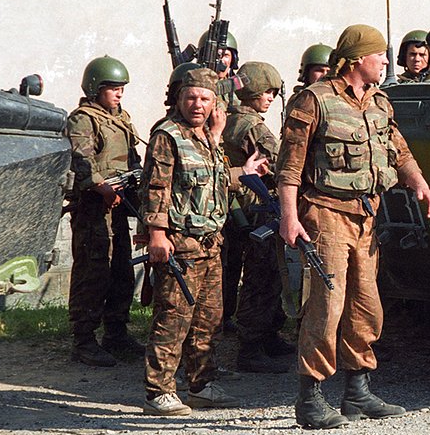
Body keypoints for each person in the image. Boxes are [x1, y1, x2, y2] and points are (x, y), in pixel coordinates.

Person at [275, 24, 430, 429]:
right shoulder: (314, 101)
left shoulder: (380, 102)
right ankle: (310, 398)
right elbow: (290, 168)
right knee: (325, 306)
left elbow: (398, 150)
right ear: (358, 59)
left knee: (366, 305)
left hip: (367, 218)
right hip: (325, 215)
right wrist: (289, 217)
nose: (386, 60)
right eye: (379, 54)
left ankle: (357, 392)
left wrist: (420, 184)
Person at [140, 67, 269, 416]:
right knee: (173, 317)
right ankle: (159, 391)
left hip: (211, 244)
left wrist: (246, 171)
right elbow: (156, 188)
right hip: (180, 244)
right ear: (180, 98)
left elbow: (212, 180)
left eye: (205, 98)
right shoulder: (167, 136)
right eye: (191, 97)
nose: (197, 104)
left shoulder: (208, 136)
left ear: (215, 103)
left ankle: (201, 385)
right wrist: (156, 233)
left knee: (208, 320)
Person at [65, 55, 143, 367]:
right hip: (93, 209)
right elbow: (81, 160)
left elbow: (132, 159)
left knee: (121, 269)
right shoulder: (83, 119)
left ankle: (116, 332)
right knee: (92, 271)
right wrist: (103, 187)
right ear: (95, 88)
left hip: (120, 206)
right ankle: (83, 340)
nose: (119, 94)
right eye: (113, 88)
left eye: (122, 88)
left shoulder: (122, 119)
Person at [221, 61, 292, 373]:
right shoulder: (252, 127)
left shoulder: (229, 119)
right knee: (261, 278)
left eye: (275, 93)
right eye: (267, 92)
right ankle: (251, 347)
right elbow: (278, 165)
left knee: (264, 276)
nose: (271, 98)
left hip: (242, 209)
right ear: (250, 92)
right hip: (258, 210)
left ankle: (267, 337)